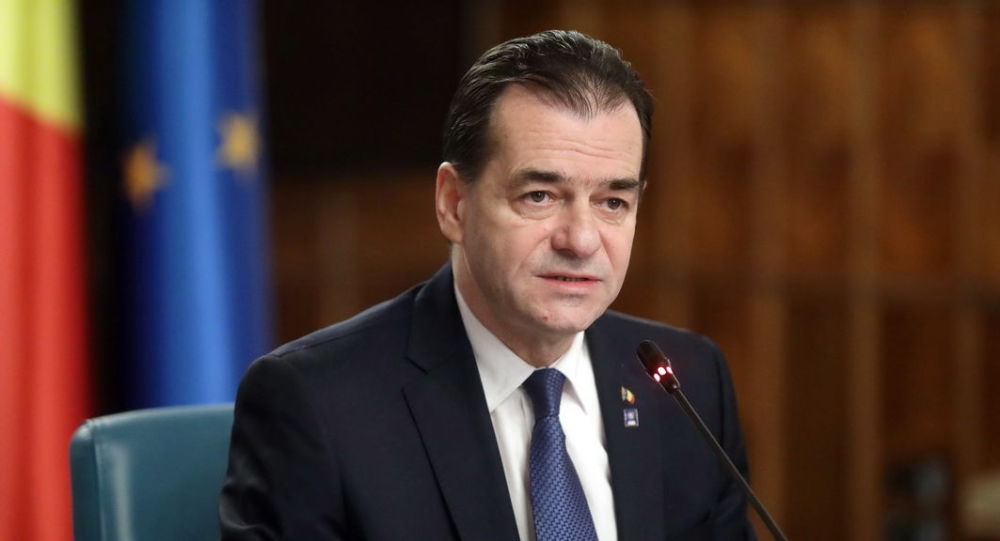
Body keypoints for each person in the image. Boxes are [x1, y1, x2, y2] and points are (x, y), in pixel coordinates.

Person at [220, 30, 754, 540]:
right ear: (454, 204)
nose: (581, 240)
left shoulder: (687, 386)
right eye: (540, 196)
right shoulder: (319, 403)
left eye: (613, 202)